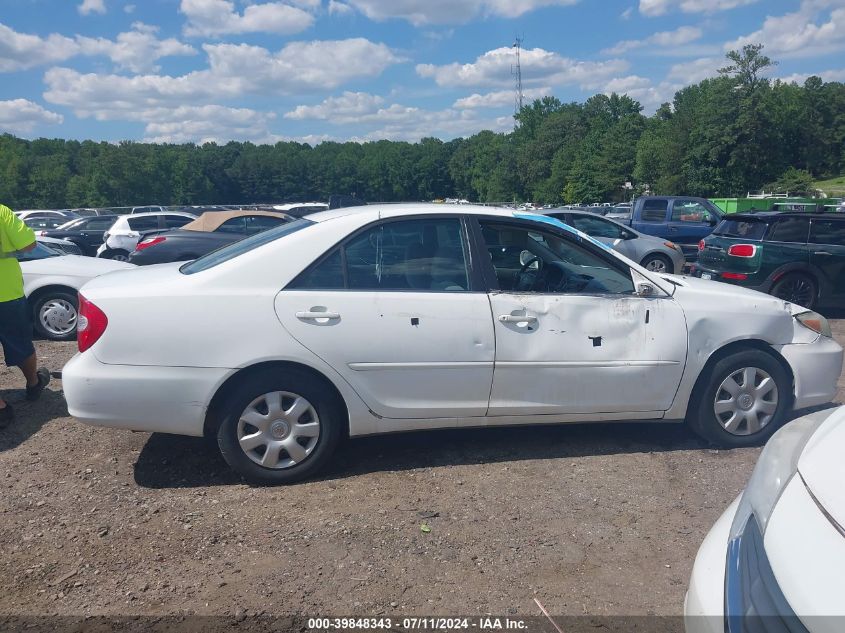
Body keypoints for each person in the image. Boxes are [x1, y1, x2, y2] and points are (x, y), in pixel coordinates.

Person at [0, 204, 50, 428]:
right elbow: (29, 245)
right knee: (20, 342)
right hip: (6, 293)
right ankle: (33, 383)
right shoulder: (1, 212)